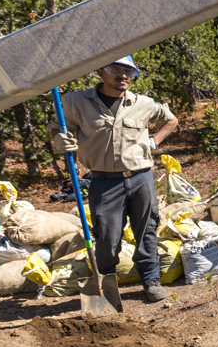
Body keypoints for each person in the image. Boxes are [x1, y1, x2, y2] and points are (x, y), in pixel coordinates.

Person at [49, 55, 178, 302]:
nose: (123, 75)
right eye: (116, 69)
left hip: (141, 178)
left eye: (128, 71)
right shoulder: (76, 101)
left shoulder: (144, 102)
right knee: (107, 237)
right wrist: (58, 138)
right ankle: (106, 285)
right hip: (104, 181)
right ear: (101, 72)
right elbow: (58, 125)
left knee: (146, 230)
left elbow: (171, 120)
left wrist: (154, 141)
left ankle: (151, 281)